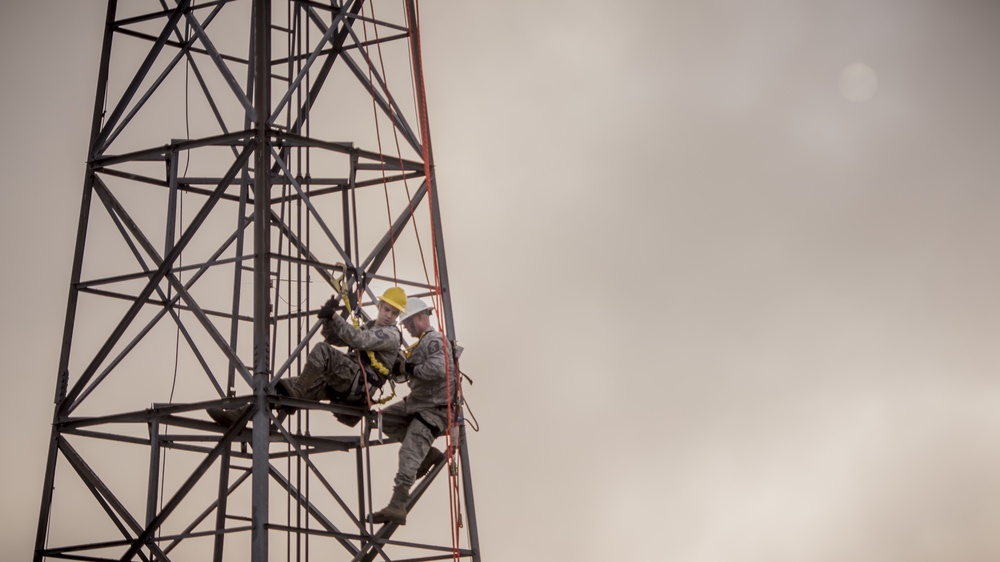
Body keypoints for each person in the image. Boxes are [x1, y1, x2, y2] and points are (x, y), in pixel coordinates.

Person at [207, 287, 406, 427]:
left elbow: (358, 340)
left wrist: (336, 318)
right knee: (277, 387)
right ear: (379, 306)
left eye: (394, 313)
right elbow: (335, 338)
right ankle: (239, 416)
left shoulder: (390, 334)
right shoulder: (371, 327)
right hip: (344, 380)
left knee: (322, 351)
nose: (389, 315)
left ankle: (297, 393)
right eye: (387, 309)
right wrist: (329, 320)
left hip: (359, 382)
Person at [370, 296, 461, 525]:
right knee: (382, 420)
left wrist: (410, 367)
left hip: (434, 409)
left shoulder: (434, 339)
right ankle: (428, 454)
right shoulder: (422, 343)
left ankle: (398, 505)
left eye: (409, 323)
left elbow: (439, 368)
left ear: (420, 318)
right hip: (419, 402)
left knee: (409, 452)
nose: (408, 329)